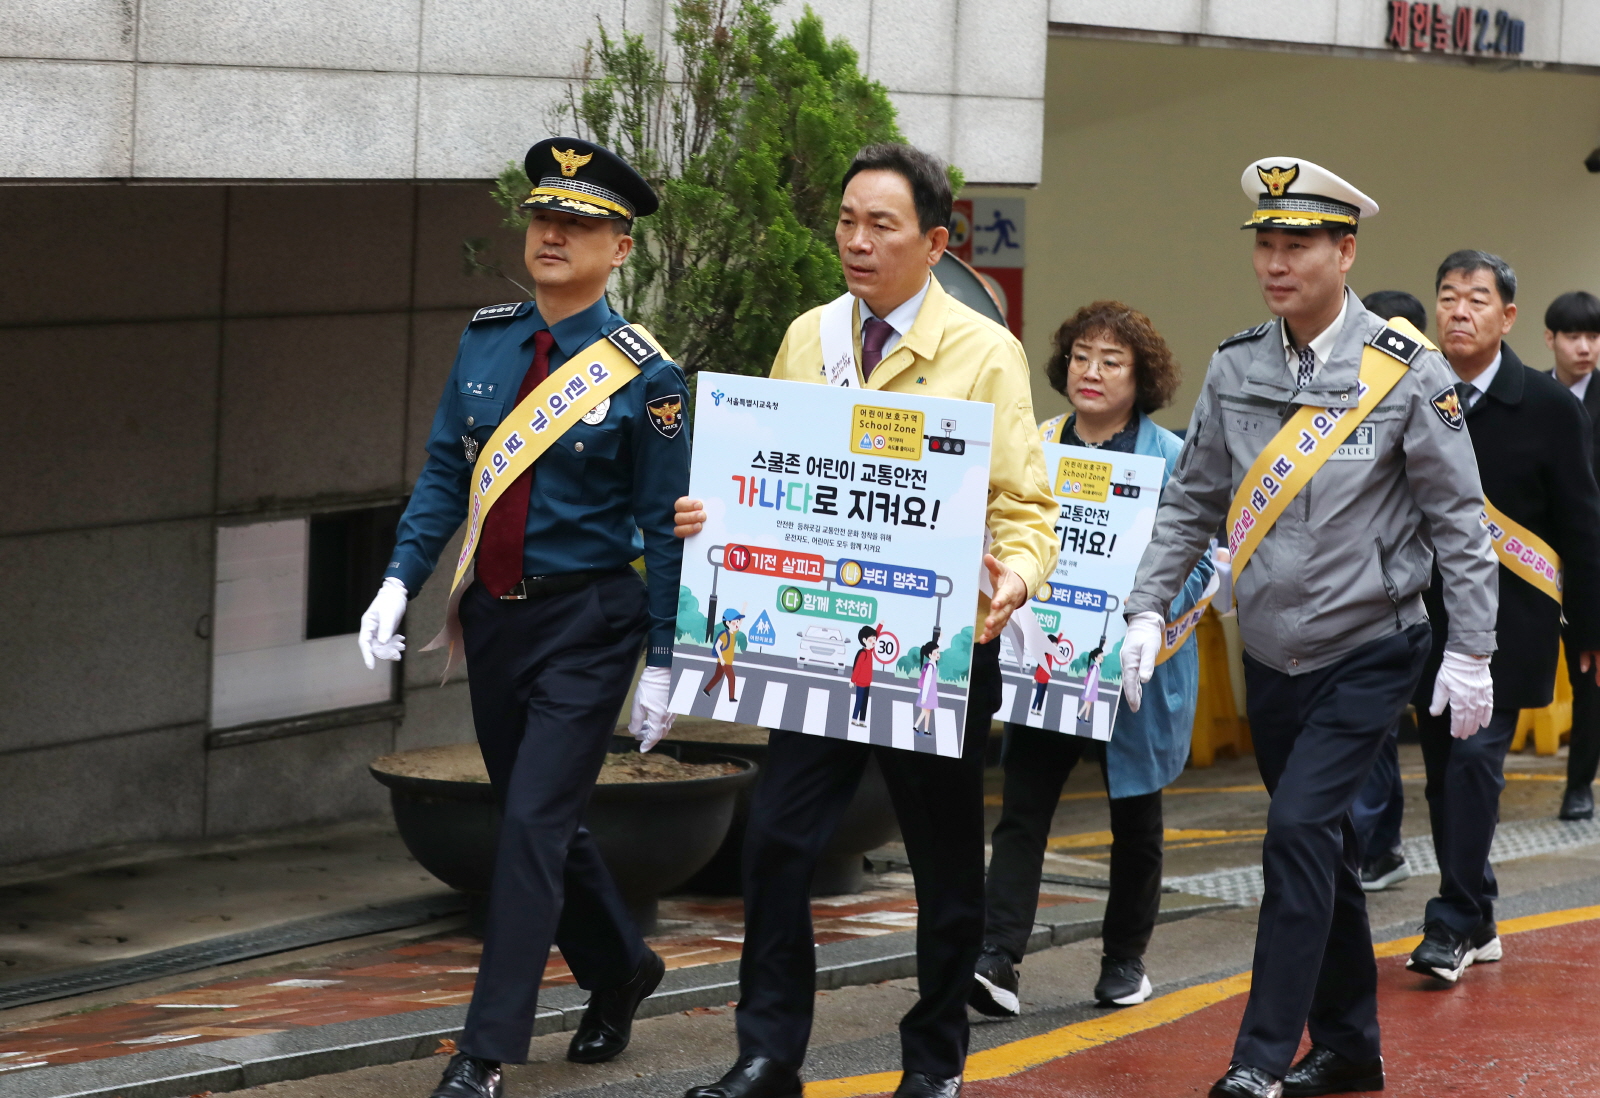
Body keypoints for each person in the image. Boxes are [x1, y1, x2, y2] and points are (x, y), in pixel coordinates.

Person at [672, 143, 1059, 1098]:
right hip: (815, 646)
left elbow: (1025, 508)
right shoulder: (809, 338)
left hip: (932, 656)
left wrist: (1015, 575)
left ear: (934, 243)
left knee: (941, 866)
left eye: (879, 225)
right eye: (846, 220)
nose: (855, 240)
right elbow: (763, 470)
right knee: (775, 843)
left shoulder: (984, 351)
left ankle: (933, 1059)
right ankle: (768, 1054)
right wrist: (707, 515)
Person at [1119, 159, 1497, 1098]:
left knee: (1293, 832)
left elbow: (1461, 522)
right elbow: (1193, 500)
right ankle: (1353, 1048)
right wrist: (1144, 609)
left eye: (1298, 245)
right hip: (1269, 654)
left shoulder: (1408, 371)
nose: (1276, 264)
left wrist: (1473, 650)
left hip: (1371, 647)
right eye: (1265, 244)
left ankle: (1257, 1059)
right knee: (1318, 845)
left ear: (1346, 250)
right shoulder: (1237, 362)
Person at [355, 137, 689, 1098]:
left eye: (579, 224)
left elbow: (667, 529)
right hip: (495, 620)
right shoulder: (488, 336)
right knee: (536, 817)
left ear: (619, 248)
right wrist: (396, 580)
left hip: (588, 624)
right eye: (544, 217)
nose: (552, 235)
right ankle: (623, 966)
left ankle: (485, 1050)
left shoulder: (645, 376)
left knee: (532, 830)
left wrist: (665, 656)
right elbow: (446, 475)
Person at [971, 301, 1214, 1018]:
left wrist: (1149, 620)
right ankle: (997, 958)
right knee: (1023, 812)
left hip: (1136, 673)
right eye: (1081, 355)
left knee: (1134, 821)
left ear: (1143, 377)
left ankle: (1123, 962)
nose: (1092, 372)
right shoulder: (1037, 443)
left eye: (1112, 361)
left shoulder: (1171, 456)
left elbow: (1202, 560)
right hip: (1043, 666)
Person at [1405, 253, 1600, 984]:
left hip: (1511, 621)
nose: (1459, 311)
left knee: (1476, 767)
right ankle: (1480, 914)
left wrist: (1588, 630)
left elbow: (1581, 524)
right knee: (1441, 773)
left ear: (1508, 317)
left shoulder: (1550, 408)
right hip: (1425, 619)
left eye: (1476, 299)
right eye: (1448, 297)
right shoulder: (1415, 392)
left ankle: (1450, 925)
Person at [1349, 290, 1430, 893]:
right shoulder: (1347, 400)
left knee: (1380, 736)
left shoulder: (1425, 396)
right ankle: (1377, 847)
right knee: (1370, 736)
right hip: (1359, 597)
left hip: (1407, 599)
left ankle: (1380, 846)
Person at [1544, 290, 1600, 820]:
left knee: (1589, 677)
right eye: (1574, 336)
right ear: (1551, 339)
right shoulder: (1535, 397)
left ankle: (1578, 784)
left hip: (1594, 563)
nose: (1585, 347)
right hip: (1535, 560)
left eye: (1593, 337)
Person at [704, 608, 745, 702]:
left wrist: (743, 608)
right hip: (725, 662)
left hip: (725, 661)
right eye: (735, 622)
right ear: (727, 623)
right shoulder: (724, 635)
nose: (737, 624)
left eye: (738, 622)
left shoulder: (733, 633)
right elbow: (718, 646)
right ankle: (731, 697)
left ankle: (706, 690)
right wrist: (722, 659)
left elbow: (741, 622)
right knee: (732, 678)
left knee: (718, 676)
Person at [850, 625, 879, 727]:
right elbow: (857, 667)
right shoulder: (863, 653)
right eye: (872, 639)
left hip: (867, 683)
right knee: (859, 701)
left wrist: (880, 625)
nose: (874, 642)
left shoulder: (869, 651)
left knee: (865, 702)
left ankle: (862, 721)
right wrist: (852, 680)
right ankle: (854, 719)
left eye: (875, 639)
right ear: (864, 640)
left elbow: (877, 634)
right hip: (861, 683)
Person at [914, 639, 942, 733]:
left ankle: (926, 729)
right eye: (935, 653)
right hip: (928, 692)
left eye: (938, 652)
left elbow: (937, 647)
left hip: (931, 691)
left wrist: (940, 639)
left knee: (928, 711)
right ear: (930, 655)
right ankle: (916, 725)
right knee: (925, 711)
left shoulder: (932, 664)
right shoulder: (930, 666)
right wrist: (924, 697)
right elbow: (927, 682)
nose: (938, 654)